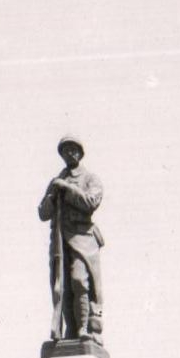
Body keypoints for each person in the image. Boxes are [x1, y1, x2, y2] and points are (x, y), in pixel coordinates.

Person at [38, 136, 104, 341]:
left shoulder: (90, 179)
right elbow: (42, 213)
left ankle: (84, 328)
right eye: (65, 150)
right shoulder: (56, 180)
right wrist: (52, 196)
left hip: (82, 238)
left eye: (73, 149)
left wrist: (67, 189)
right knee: (62, 286)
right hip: (59, 240)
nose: (70, 153)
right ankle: (70, 331)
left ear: (80, 153)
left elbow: (90, 202)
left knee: (79, 280)